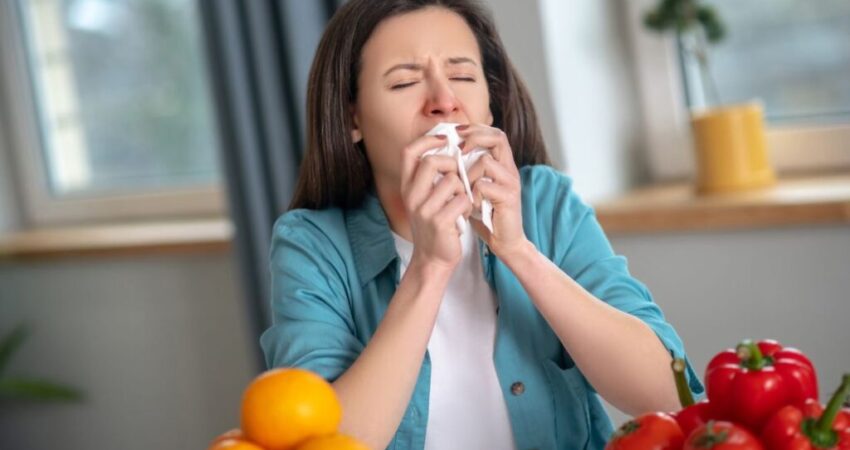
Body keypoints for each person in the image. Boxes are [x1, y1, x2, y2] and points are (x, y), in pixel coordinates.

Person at [260, 1, 704, 449]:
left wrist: (518, 251)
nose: (443, 102)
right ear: (352, 117)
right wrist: (430, 267)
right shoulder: (310, 244)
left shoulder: (547, 203)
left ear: (489, 109)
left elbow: (671, 395)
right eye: (405, 82)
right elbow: (320, 440)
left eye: (463, 77)